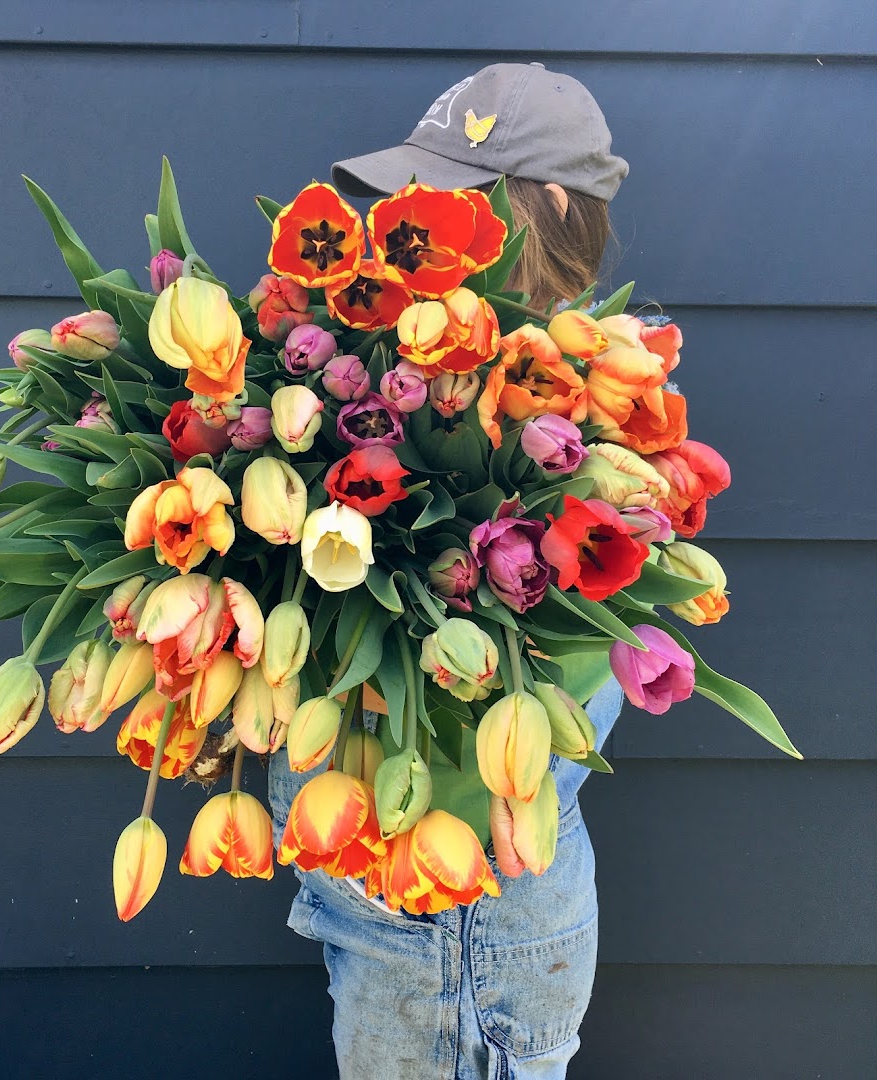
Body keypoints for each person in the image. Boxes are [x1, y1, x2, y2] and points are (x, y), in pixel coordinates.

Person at [268, 62, 629, 1079]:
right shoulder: (414, 390)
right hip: (398, 905)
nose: (405, 233)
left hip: (454, 921)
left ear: (549, 209)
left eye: (458, 205)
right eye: (405, 201)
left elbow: (504, 718)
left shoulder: (584, 438)